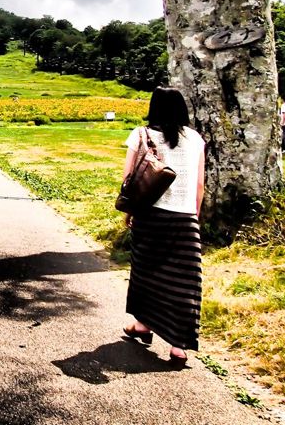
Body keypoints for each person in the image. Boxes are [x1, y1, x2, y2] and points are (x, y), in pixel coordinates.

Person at [121, 86, 205, 368]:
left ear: (153, 108)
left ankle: (143, 325)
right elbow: (199, 184)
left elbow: (130, 178)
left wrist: (129, 211)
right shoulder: (195, 139)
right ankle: (178, 346)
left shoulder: (141, 135)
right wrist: (194, 215)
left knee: (146, 273)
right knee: (184, 282)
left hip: (151, 216)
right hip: (185, 219)